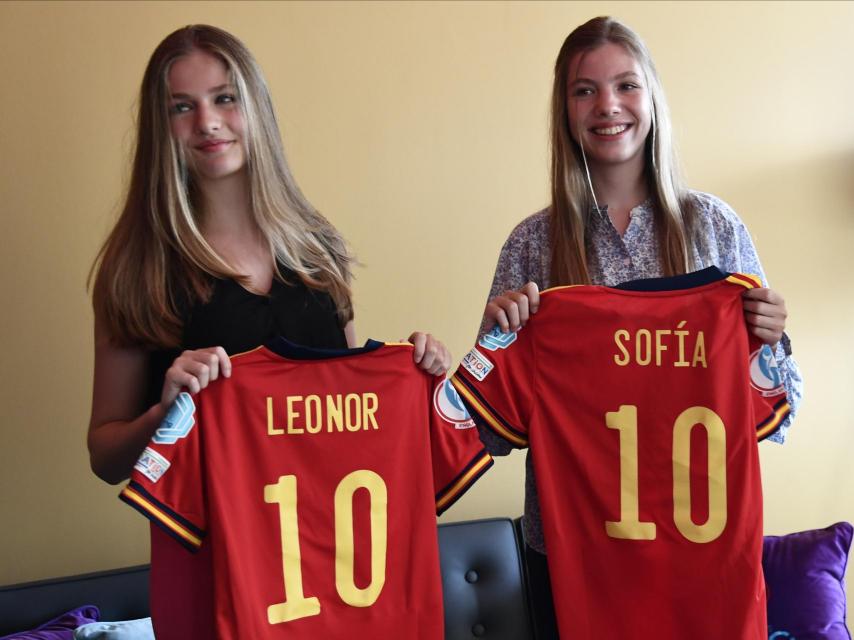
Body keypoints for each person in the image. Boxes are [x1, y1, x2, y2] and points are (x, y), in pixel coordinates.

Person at [87, 24, 451, 638]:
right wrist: (165, 412)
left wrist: (414, 371)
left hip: (330, 561)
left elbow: (348, 404)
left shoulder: (318, 249)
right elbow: (104, 456)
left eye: (225, 98)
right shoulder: (137, 269)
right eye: (183, 106)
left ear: (255, 107)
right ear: (161, 127)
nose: (207, 121)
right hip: (209, 564)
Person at [476, 16, 803, 638]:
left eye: (626, 85)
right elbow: (491, 434)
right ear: (564, 110)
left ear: (651, 96)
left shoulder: (714, 227)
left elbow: (782, 412)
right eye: (584, 90)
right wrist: (495, 345)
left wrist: (771, 341)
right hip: (573, 554)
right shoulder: (532, 245)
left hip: (697, 545)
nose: (608, 106)